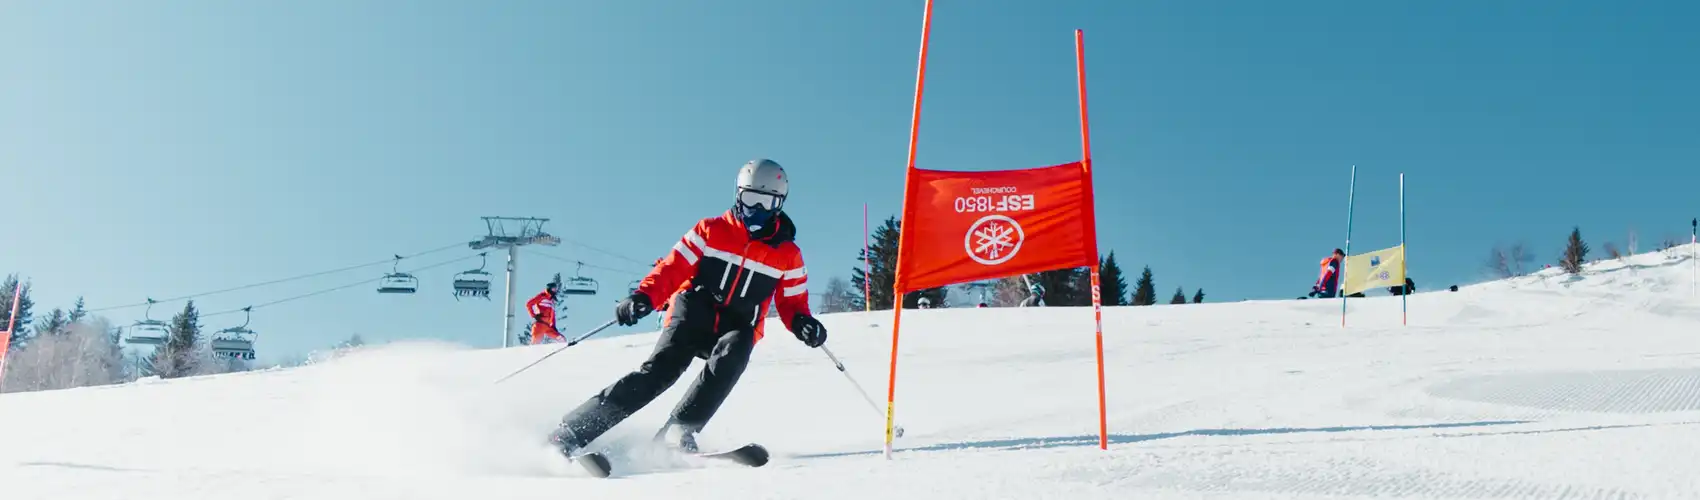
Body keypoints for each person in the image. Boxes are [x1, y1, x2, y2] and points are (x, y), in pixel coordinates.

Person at [548, 158, 828, 456]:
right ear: (737, 194)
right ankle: (571, 432)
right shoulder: (710, 230)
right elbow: (673, 268)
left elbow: (792, 301)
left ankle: (679, 430)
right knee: (661, 371)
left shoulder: (787, 254)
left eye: (766, 202)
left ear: (779, 204)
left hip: (737, 323)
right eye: (750, 199)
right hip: (694, 312)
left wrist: (802, 322)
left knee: (736, 350)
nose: (756, 210)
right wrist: (645, 297)